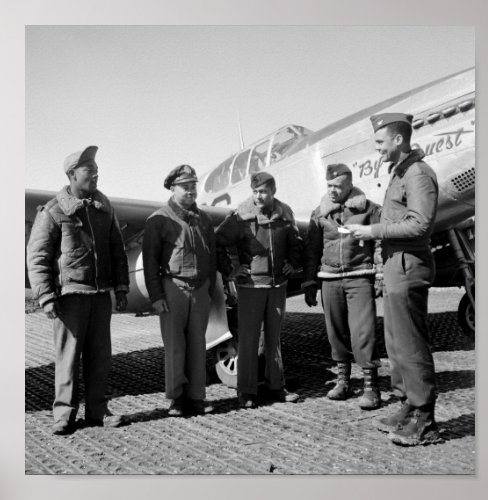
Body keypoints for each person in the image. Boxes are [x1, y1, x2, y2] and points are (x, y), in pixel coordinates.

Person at [346, 113, 442, 446]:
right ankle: (406, 404)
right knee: (396, 343)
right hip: (393, 266)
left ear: (398, 140)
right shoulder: (400, 173)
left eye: (380, 143)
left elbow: (420, 225)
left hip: (408, 267)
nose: (377, 150)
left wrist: (371, 230)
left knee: (412, 344)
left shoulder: (417, 174)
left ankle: (424, 418)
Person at [27, 146, 129, 435]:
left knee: (100, 357)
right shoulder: (53, 211)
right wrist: (45, 296)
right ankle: (64, 415)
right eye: (89, 170)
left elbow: (117, 251)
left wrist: (121, 288)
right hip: (69, 297)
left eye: (96, 170)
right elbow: (37, 257)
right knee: (68, 358)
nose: (96, 174)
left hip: (100, 296)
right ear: (72, 174)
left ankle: (98, 411)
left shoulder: (104, 207)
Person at [215, 172, 302, 409]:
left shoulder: (285, 214)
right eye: (255, 191)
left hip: (277, 286)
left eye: (263, 191)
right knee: (249, 339)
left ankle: (277, 386)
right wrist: (232, 269)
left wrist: (292, 264)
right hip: (251, 287)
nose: (258, 196)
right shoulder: (241, 216)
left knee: (274, 340)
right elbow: (218, 241)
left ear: (273, 191)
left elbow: (296, 242)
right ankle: (246, 391)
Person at [142, 164, 223, 417]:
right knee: (175, 347)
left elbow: (212, 257)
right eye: (184, 186)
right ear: (172, 188)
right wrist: (156, 296)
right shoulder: (159, 219)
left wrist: (209, 289)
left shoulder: (204, 219)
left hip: (200, 290)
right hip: (172, 288)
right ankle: (177, 399)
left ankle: (197, 397)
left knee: (198, 345)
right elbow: (150, 262)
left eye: (193, 186)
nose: (190, 191)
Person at [303, 163, 382, 410]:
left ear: (349, 185)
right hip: (329, 278)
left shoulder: (369, 210)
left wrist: (379, 275)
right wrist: (309, 282)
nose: (333, 190)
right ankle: (343, 381)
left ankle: (371, 387)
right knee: (335, 333)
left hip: (360, 276)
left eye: (337, 186)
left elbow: (380, 242)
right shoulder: (320, 214)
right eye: (329, 186)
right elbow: (312, 249)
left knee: (363, 331)